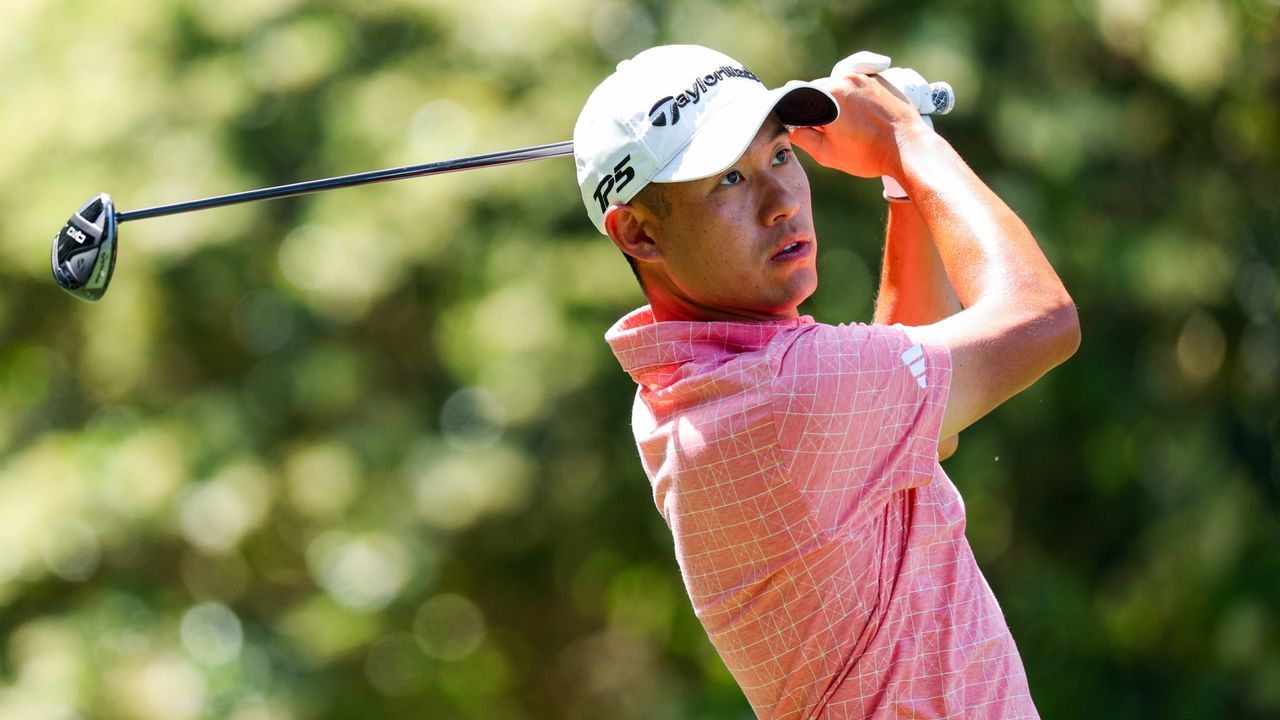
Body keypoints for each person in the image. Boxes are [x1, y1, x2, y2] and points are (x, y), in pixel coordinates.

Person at [572, 44, 1079, 719]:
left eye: (780, 155)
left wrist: (904, 182)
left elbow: (923, 436)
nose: (780, 200)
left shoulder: (688, 391)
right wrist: (906, 137)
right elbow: (1042, 320)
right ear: (638, 233)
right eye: (728, 180)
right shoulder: (785, 394)